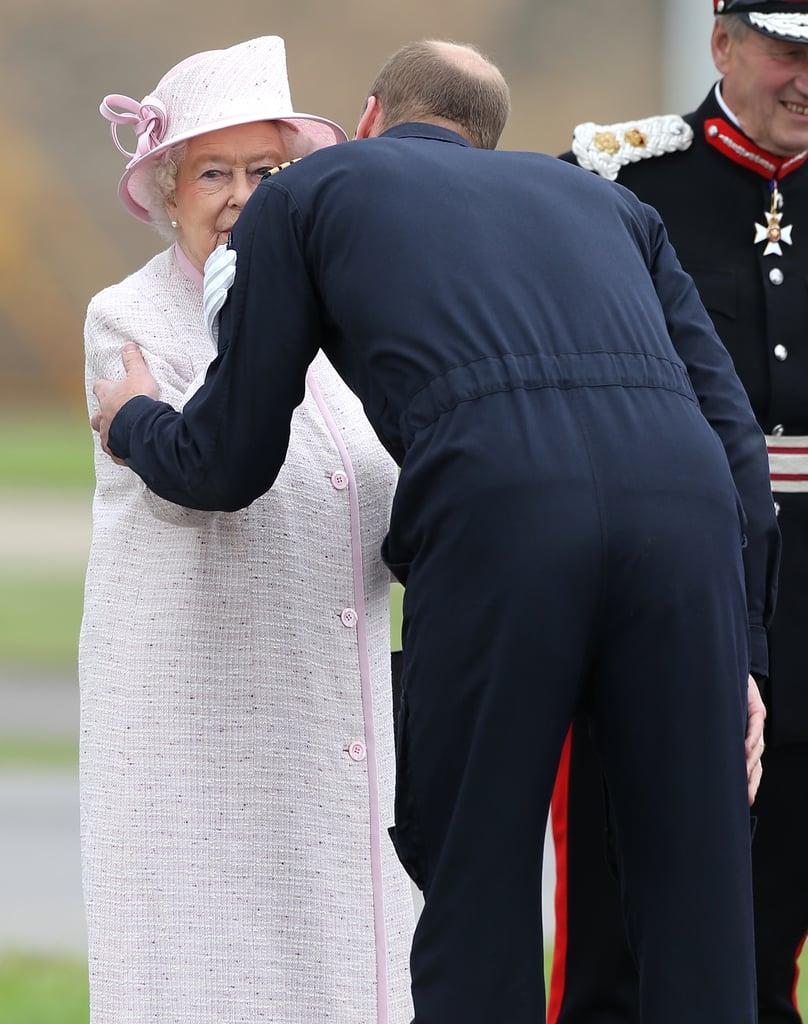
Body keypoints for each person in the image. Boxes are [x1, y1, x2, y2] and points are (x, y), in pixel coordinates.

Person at [90, 39, 779, 1024]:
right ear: (488, 136)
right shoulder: (613, 204)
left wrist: (135, 421)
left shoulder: (309, 192)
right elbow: (735, 446)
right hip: (685, 517)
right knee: (697, 891)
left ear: (368, 117)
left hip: (500, 510)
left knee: (476, 874)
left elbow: (227, 461)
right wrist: (742, 657)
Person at [79, 35, 415, 1024]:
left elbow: (380, 483)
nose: (239, 196)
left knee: (347, 951)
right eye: (212, 172)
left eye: (264, 172)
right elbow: (194, 479)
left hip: (334, 697)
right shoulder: (130, 316)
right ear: (168, 191)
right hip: (203, 703)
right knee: (207, 954)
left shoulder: (336, 309)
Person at [550, 3, 808, 1021]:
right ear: (722, 42)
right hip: (668, 602)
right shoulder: (612, 185)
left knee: (764, 950)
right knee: (621, 947)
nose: (806, 79)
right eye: (791, 51)